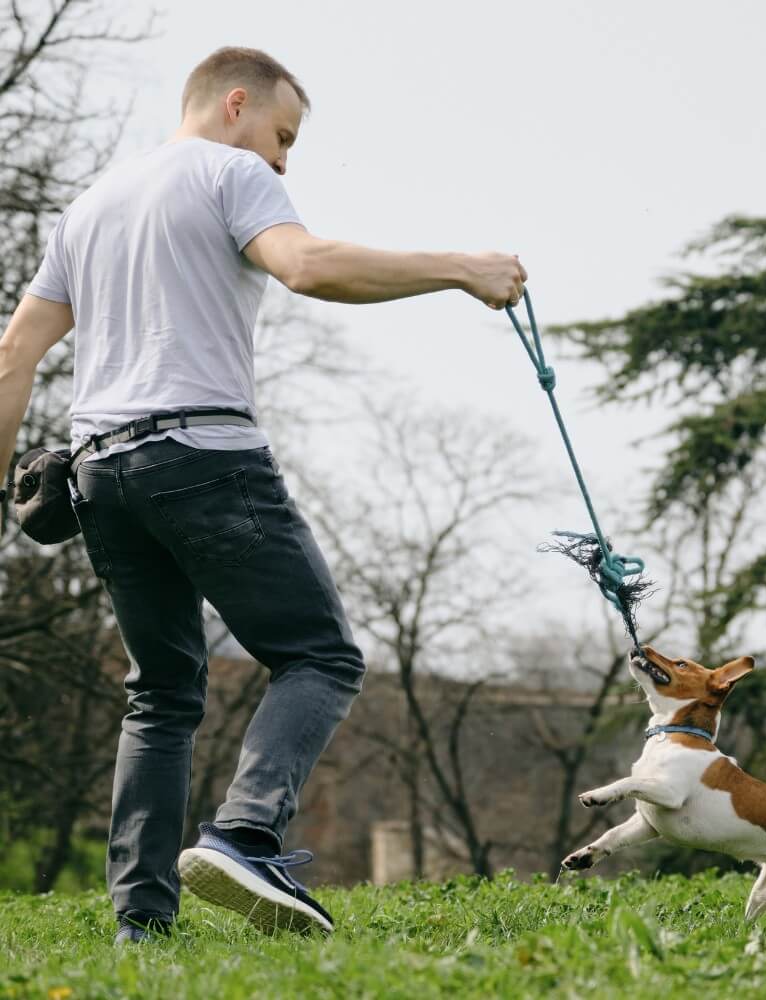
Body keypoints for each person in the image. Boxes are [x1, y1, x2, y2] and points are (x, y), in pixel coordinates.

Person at [0, 46, 527, 945]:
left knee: (161, 693)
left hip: (101, 473)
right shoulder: (228, 172)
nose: (282, 162)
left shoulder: (88, 207)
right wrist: (460, 267)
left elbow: (14, 353)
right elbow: (308, 265)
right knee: (321, 656)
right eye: (283, 137)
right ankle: (245, 836)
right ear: (235, 104)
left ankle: (141, 925)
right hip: (204, 456)